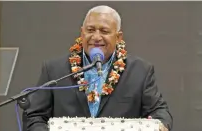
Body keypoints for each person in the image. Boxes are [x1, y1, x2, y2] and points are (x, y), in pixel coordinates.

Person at [23, 5, 173, 131]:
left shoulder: (140, 72)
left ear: (118, 37)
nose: (96, 37)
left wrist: (160, 125)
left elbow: (160, 113)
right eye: (90, 30)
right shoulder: (54, 70)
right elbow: (34, 115)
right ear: (82, 33)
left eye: (104, 31)